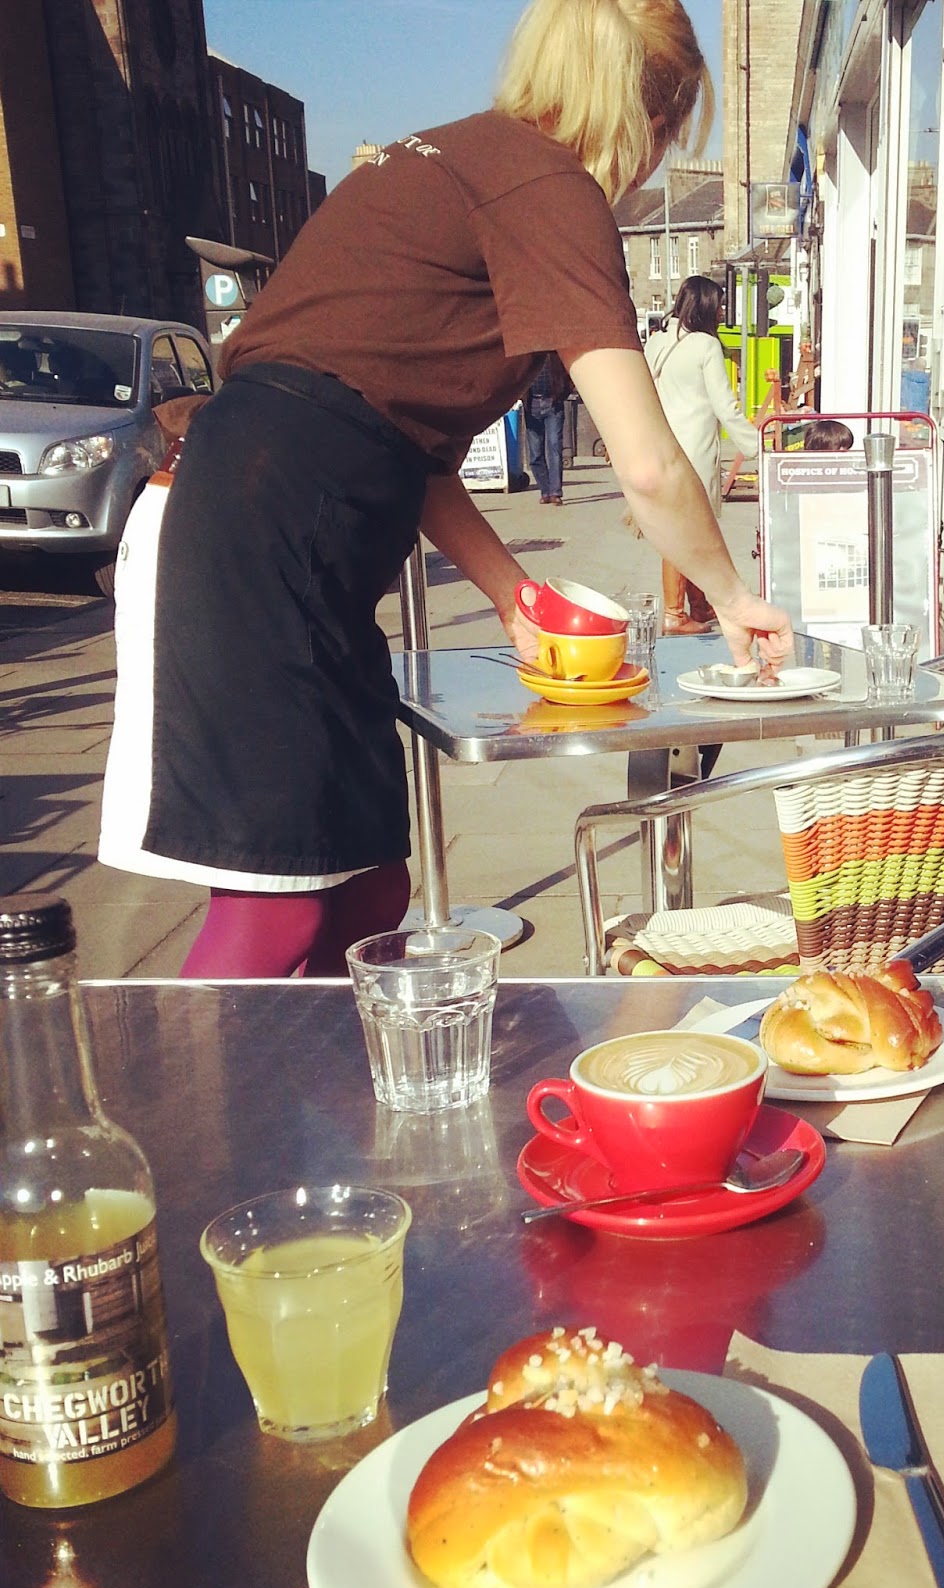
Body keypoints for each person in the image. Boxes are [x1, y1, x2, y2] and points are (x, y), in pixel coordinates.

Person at [96, 0, 792, 979]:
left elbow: (400, 439)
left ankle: (334, 1081)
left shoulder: (455, 159)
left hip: (293, 526)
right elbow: (647, 463)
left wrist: (513, 594)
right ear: (652, 114)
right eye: (670, 132)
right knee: (277, 910)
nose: (651, 161)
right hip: (248, 528)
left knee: (371, 892)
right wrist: (732, 595)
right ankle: (178, 1083)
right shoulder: (549, 186)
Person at [643, 274, 761, 633]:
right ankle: (674, 614)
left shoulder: (656, 342)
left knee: (685, 528)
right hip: (694, 448)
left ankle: (698, 605)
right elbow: (725, 406)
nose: (722, 311)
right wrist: (756, 445)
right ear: (708, 306)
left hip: (660, 445)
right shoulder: (706, 346)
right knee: (685, 533)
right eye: (720, 304)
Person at [524, 351, 573, 503]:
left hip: (552, 404)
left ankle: (555, 492)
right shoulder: (526, 356)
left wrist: (561, 395)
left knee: (555, 448)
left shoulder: (555, 354)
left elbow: (569, 375)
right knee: (535, 453)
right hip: (532, 406)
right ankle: (545, 491)